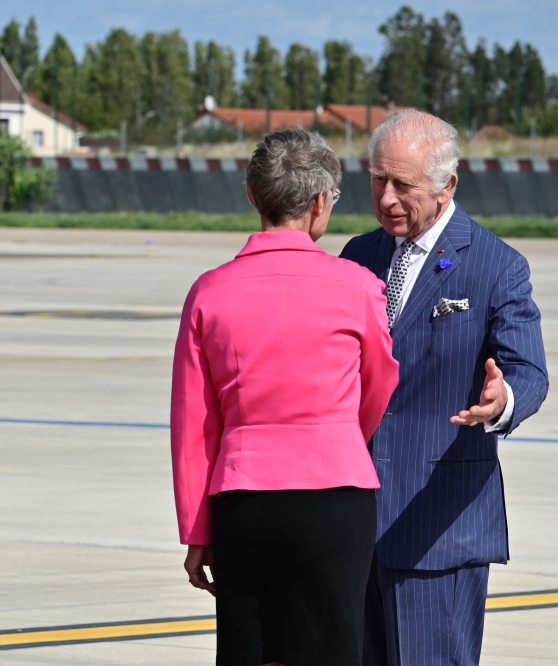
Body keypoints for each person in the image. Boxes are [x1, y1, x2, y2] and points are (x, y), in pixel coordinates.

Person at [171, 129, 399, 666]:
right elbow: (378, 388)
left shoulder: (210, 291)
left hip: (245, 501)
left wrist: (197, 528)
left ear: (253, 196)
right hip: (335, 497)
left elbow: (194, 426)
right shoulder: (358, 285)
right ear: (320, 203)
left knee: (252, 651)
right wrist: (338, 435)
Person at [339, 109, 548, 666]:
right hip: (353, 522)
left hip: (438, 524)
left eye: (402, 185)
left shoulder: (497, 265)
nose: (385, 199)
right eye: (377, 180)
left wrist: (502, 402)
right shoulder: (357, 256)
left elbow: (527, 370)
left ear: (446, 184)